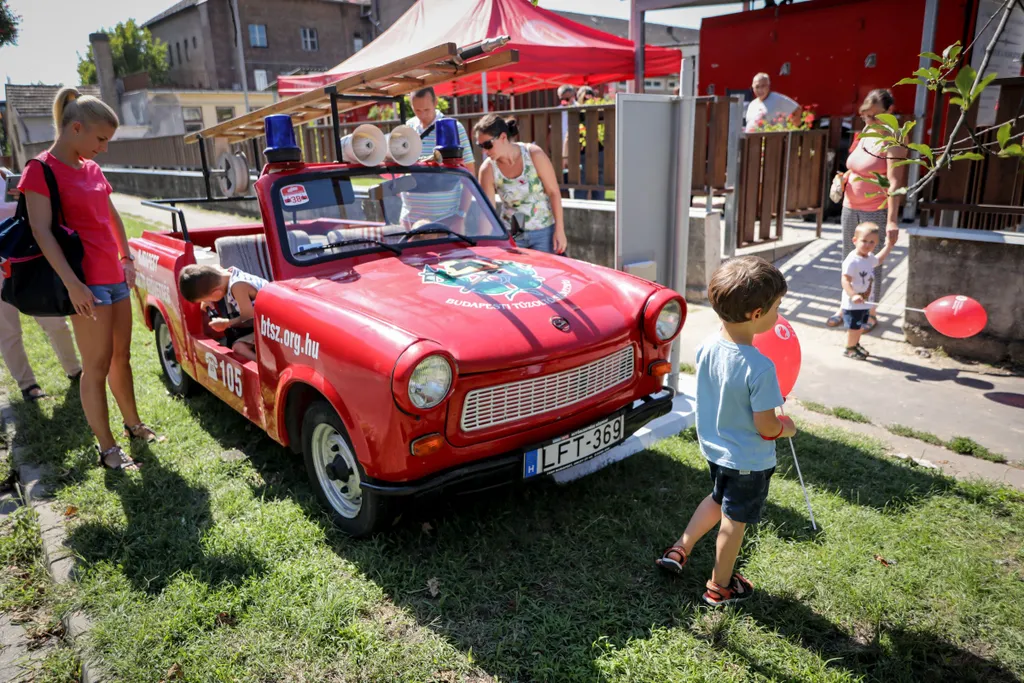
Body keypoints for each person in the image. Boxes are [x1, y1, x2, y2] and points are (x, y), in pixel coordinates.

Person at [19, 87, 162, 472]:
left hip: (114, 277)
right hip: (86, 284)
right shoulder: (40, 169)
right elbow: (42, 231)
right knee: (95, 366)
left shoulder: (92, 169)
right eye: (101, 139)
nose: (104, 148)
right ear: (76, 128)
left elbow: (111, 218)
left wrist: (126, 257)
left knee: (122, 358)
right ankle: (108, 447)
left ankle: (134, 426)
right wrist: (72, 284)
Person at [655, 256, 796, 607]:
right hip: (747, 460)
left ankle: (680, 548)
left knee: (717, 499)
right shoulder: (761, 368)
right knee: (734, 522)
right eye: (777, 307)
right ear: (757, 313)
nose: (780, 314)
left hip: (716, 449)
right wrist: (785, 428)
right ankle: (720, 586)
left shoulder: (707, 345)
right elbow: (765, 424)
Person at [826, 89, 907, 331]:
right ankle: (846, 304)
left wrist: (892, 220)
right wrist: (844, 178)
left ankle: (870, 310)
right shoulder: (866, 133)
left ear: (890, 111)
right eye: (865, 115)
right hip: (850, 205)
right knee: (848, 260)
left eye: (874, 115)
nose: (869, 120)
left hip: (875, 209)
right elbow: (857, 166)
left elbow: (895, 182)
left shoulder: (894, 139)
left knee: (872, 263)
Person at [475, 115, 567, 255]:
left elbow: (553, 192)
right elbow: (488, 214)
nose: (484, 151)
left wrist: (560, 230)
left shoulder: (533, 154)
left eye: (487, 145)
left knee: (545, 274)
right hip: (514, 232)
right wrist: (483, 248)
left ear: (503, 137)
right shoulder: (487, 169)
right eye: (480, 146)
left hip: (543, 231)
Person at [178, 263, 267, 363]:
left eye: (208, 298)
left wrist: (226, 323)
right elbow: (213, 268)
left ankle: (267, 370)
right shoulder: (223, 273)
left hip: (271, 325)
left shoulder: (237, 287)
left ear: (216, 293)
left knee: (238, 347)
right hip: (264, 319)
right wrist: (208, 299)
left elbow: (249, 318)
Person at [840, 222, 894, 360]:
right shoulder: (852, 260)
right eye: (864, 241)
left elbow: (879, 260)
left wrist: (889, 245)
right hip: (853, 304)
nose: (868, 245)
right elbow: (845, 280)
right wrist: (853, 295)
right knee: (854, 327)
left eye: (872, 242)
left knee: (860, 326)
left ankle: (855, 344)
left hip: (865, 302)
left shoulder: (869, 257)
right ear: (855, 240)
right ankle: (849, 348)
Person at [406, 86, 475, 175]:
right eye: (417, 110)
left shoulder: (454, 128)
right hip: (416, 187)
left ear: (435, 102)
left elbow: (469, 167)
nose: (422, 115)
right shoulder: (409, 126)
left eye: (426, 110)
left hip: (448, 188)